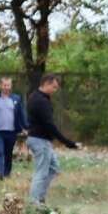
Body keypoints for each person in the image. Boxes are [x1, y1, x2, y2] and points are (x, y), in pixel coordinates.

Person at [25, 73, 80, 205]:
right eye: (54, 87)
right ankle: (34, 203)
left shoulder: (35, 96)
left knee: (54, 168)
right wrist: (68, 142)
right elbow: (49, 125)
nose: (55, 90)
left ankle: (40, 197)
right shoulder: (41, 101)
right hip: (40, 140)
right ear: (46, 84)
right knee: (41, 172)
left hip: (39, 139)